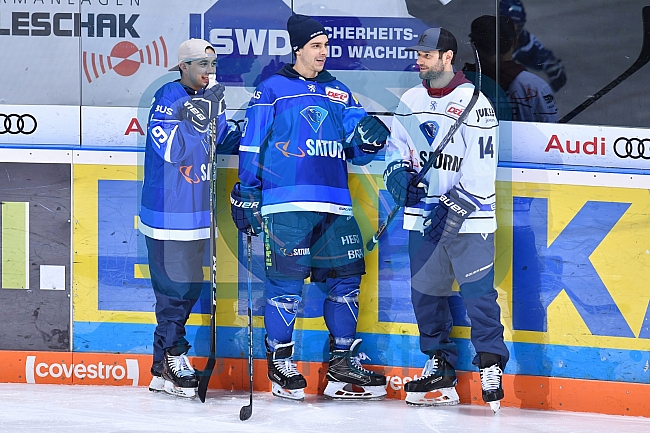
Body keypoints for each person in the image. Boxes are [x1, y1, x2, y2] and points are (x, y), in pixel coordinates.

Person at [230, 14, 388, 401]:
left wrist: (370, 141)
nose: (323, 53)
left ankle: (340, 365)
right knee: (286, 287)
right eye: (315, 46)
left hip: (334, 202)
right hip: (286, 203)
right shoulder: (271, 89)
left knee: (347, 282)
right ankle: (281, 363)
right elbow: (251, 144)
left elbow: (358, 146)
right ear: (298, 48)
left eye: (326, 46)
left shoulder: (339, 91)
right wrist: (247, 190)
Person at [383, 27, 508, 412]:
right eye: (417, 54)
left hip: (468, 220)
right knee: (426, 295)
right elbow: (396, 148)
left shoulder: (476, 102)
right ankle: (439, 364)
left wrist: (452, 211)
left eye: (426, 54)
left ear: (447, 57)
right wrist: (397, 177)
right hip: (422, 218)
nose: (418, 60)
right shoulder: (410, 98)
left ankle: (490, 364)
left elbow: (481, 169)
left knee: (478, 296)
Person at [138, 38, 238, 399]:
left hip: (198, 214)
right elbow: (171, 149)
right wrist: (199, 116)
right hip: (168, 213)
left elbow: (220, 139)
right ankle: (173, 356)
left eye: (212, 65)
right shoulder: (167, 98)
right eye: (201, 65)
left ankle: (161, 367)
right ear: (182, 66)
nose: (208, 72)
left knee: (185, 292)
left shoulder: (213, 97)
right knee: (173, 291)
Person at [463, 15, 558, 123]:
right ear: (515, 42)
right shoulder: (536, 87)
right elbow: (551, 128)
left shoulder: (459, 84)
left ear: (473, 44)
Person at [499, 0, 567, 92]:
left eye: (519, 27)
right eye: (511, 25)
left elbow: (538, 53)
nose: (515, 32)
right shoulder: (487, 36)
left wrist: (550, 65)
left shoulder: (522, 38)